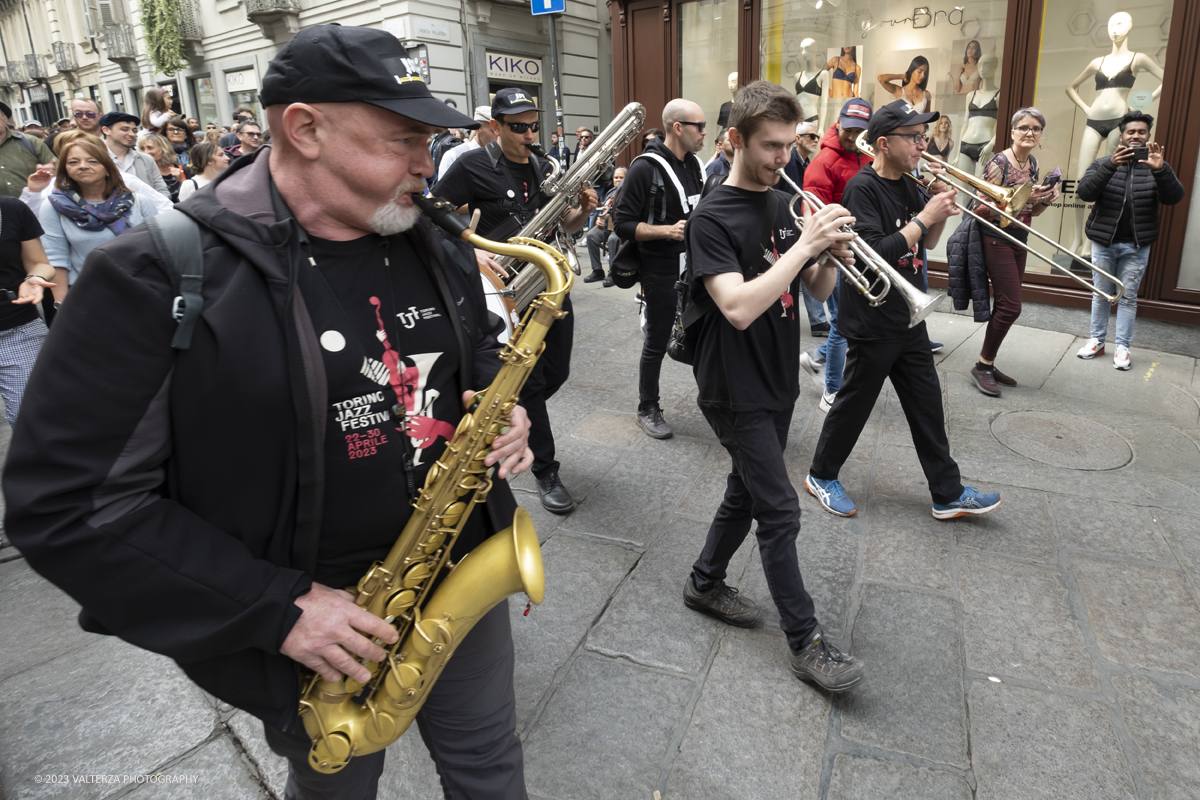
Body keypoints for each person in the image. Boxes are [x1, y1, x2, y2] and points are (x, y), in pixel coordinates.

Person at [7, 26, 537, 800]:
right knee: (334, 786)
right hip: (309, 620)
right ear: (305, 128)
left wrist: (500, 402)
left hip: (457, 566)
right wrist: (275, 607)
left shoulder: (433, 235)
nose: (428, 162)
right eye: (405, 138)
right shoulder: (154, 275)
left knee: (491, 769)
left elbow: (481, 346)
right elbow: (66, 504)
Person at [681, 80, 863, 691]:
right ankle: (806, 641)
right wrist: (806, 244)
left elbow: (812, 291)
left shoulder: (786, 205)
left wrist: (830, 252)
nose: (784, 158)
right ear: (734, 140)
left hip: (778, 374)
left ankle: (705, 582)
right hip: (732, 386)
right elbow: (736, 305)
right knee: (779, 510)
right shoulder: (710, 217)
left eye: (790, 145)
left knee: (745, 490)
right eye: (770, 146)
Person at [806, 99, 1003, 522]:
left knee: (927, 406)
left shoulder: (913, 184)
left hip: (909, 315)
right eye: (913, 137)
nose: (922, 144)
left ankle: (947, 492)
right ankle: (821, 475)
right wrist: (925, 215)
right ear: (883, 143)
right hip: (873, 316)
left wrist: (940, 210)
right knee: (854, 405)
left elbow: (926, 244)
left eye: (922, 136)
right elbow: (873, 253)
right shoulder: (863, 187)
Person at [433, 87, 596, 514]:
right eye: (518, 127)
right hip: (504, 292)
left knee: (554, 373)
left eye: (532, 125)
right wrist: (471, 249)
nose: (528, 133)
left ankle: (518, 410)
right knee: (535, 381)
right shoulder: (472, 164)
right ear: (496, 127)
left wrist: (582, 209)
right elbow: (432, 213)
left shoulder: (544, 165)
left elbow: (568, 227)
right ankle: (546, 470)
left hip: (547, 282)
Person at [613, 98, 706, 441]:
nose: (705, 133)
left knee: (704, 332)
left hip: (694, 265)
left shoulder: (694, 164)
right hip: (660, 268)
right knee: (657, 339)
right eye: (699, 125)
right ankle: (647, 407)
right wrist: (666, 231)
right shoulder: (644, 167)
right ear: (678, 127)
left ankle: (715, 400)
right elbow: (621, 223)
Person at [1075, 110, 1185, 370]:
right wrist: (1110, 166)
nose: (1136, 136)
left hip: (1136, 246)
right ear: (1121, 136)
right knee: (1101, 294)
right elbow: (1085, 193)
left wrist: (1161, 171)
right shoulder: (1104, 163)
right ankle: (1097, 341)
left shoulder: (1156, 166)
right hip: (1104, 243)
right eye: (1131, 132)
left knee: (1128, 297)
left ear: (1148, 136)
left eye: (1142, 132)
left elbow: (1174, 198)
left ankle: (1122, 346)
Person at [967, 108, 1060, 396]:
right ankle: (983, 366)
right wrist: (1018, 196)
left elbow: (1033, 211)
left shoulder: (1031, 162)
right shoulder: (999, 162)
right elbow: (978, 207)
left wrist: (1045, 199)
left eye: (1036, 128)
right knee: (1011, 306)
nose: (1030, 133)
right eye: (1024, 127)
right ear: (1012, 132)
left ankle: (988, 362)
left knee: (1007, 303)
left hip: (1020, 236)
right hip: (996, 237)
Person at [798, 98, 872, 411]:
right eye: (849, 128)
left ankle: (818, 358)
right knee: (843, 322)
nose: (854, 136)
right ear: (838, 123)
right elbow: (812, 214)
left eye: (861, 130)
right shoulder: (823, 162)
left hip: (863, 248)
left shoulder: (867, 156)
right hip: (837, 251)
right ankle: (832, 390)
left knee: (853, 320)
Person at [37, 137, 159, 297]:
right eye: (73, 162)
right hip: (88, 295)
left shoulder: (138, 202)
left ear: (108, 168)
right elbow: (56, 258)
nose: (82, 166)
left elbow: (159, 249)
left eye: (92, 161)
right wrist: (62, 304)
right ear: (65, 169)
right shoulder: (55, 207)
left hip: (141, 290)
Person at [0, 194, 56, 424]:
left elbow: (38, 262)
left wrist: (34, 278)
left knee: (34, 420)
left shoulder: (10, 208)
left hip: (17, 329)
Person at [100, 110, 171, 199]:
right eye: (124, 129)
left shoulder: (146, 159)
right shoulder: (96, 159)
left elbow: (162, 190)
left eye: (134, 130)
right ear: (106, 130)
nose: (131, 134)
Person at [0, 101, 55, 198]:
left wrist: (51, 171)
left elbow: (57, 170)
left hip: (35, 208)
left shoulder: (30, 142)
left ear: (4, 118)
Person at [583, 166, 626, 285]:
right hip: (606, 225)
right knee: (591, 235)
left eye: (621, 177)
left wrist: (611, 211)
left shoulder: (629, 192)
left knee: (613, 239)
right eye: (615, 177)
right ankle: (597, 270)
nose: (617, 180)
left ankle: (613, 273)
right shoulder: (611, 192)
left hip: (620, 226)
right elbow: (602, 208)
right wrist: (598, 218)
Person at [436, 106, 496, 181]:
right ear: (478, 129)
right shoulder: (453, 156)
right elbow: (443, 191)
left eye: (499, 130)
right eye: (493, 131)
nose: (498, 135)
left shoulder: (501, 155)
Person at [138, 132, 188, 204]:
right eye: (142, 149)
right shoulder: (144, 174)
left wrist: (182, 180)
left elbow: (194, 195)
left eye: (150, 148)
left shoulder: (183, 170)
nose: (145, 152)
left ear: (163, 149)